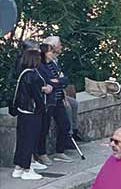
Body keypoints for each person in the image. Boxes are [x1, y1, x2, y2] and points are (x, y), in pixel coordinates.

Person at [11, 48, 52, 180]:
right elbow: (37, 96)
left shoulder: (23, 73)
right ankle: (27, 169)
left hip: (22, 110)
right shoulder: (33, 75)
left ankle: (18, 167)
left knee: (22, 139)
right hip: (32, 111)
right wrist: (44, 96)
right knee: (30, 140)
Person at [36, 40, 75, 163]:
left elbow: (64, 80)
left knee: (65, 125)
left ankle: (60, 151)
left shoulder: (53, 64)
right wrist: (56, 81)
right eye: (50, 51)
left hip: (58, 98)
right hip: (48, 101)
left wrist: (57, 81)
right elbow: (46, 81)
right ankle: (41, 153)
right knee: (44, 128)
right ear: (44, 53)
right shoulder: (40, 66)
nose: (53, 53)